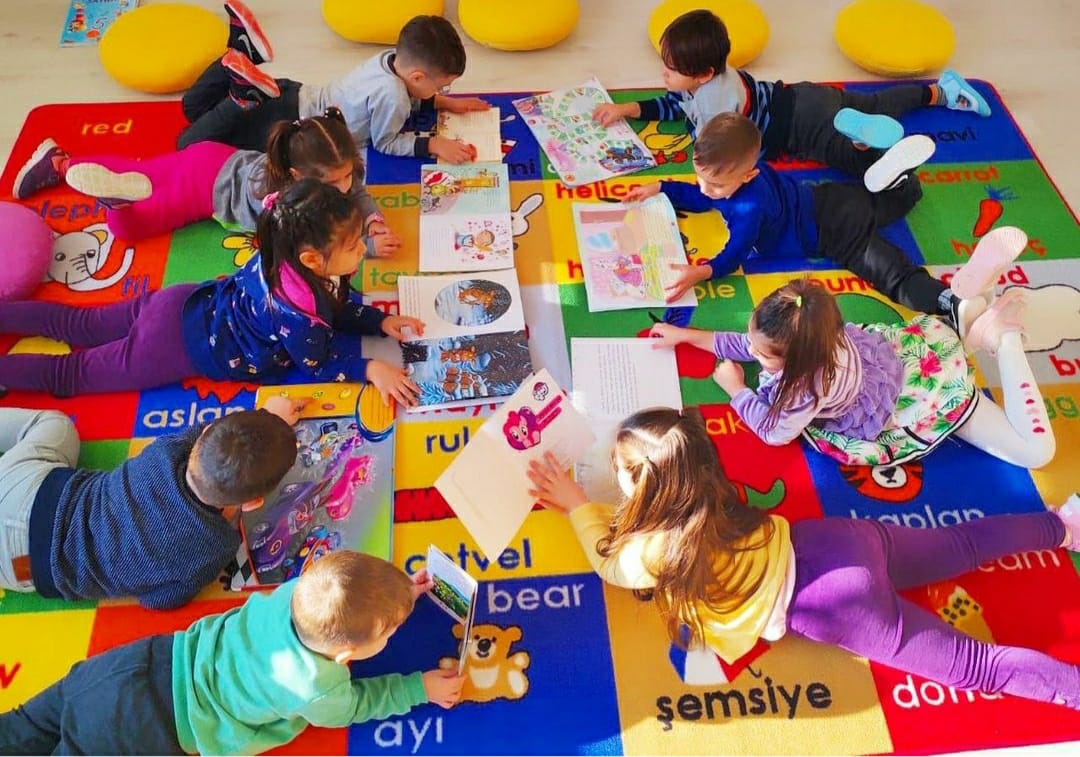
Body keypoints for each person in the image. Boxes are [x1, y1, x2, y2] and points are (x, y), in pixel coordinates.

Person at [526, 408, 1080, 709]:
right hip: (839, 541)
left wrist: (578, 506)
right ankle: (1062, 526)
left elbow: (611, 565)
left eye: (619, 472)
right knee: (960, 544)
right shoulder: (710, 487)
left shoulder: (651, 553)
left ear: (644, 485)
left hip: (837, 605)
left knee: (976, 667)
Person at [0, 550, 466, 755]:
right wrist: (418, 688)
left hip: (129, 666)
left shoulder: (296, 592)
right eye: (391, 630)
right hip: (145, 729)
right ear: (346, 654)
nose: (394, 634)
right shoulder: (318, 686)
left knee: (20, 727)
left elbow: (347, 589)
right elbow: (358, 705)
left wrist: (397, 595)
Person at [0, 180, 423, 405]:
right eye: (353, 246)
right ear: (313, 259)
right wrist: (371, 367)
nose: (362, 250)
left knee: (78, 322)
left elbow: (337, 305)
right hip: (173, 345)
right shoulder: (299, 312)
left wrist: (379, 320)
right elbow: (318, 362)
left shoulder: (284, 249)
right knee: (70, 373)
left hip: (182, 301)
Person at [650, 274, 1055, 469]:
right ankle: (972, 327)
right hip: (910, 360)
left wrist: (737, 390)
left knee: (1037, 452)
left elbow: (775, 433)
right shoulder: (814, 330)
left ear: (797, 362)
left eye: (762, 355)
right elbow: (748, 343)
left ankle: (1004, 339)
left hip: (921, 400)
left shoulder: (806, 388)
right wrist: (686, 336)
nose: (751, 353)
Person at [625, 112, 1018, 311]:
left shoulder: (748, 206)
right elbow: (704, 197)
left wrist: (702, 272)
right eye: (700, 178)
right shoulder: (746, 175)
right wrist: (662, 187)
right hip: (830, 197)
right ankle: (902, 181)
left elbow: (734, 253)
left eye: (716, 184)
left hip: (833, 234)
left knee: (891, 274)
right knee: (891, 204)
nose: (705, 189)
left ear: (746, 176)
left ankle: (950, 302)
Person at [592, 8, 991, 181]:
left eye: (671, 70)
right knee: (873, 102)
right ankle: (940, 92)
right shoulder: (715, 78)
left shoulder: (714, 111)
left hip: (799, 128)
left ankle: (862, 145)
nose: (663, 74)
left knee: (853, 165)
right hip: (802, 95)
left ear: (703, 74)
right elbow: (674, 104)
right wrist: (627, 108)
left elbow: (728, 156)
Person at [0, 396, 303, 608]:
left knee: (56, 425)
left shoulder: (165, 454)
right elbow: (160, 600)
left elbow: (209, 436)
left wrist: (268, 415)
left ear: (204, 432)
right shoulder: (215, 546)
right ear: (252, 504)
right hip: (28, 564)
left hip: (28, 488)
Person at [11, 108, 401, 257]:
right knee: (129, 228)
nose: (346, 185)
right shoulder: (289, 203)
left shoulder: (328, 167)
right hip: (204, 190)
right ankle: (116, 202)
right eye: (336, 181)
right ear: (298, 178)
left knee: (141, 172)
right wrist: (365, 247)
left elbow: (358, 193)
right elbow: (310, 246)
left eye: (348, 173)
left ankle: (60, 162)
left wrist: (373, 219)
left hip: (213, 157)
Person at [177, 9, 489, 163]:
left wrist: (446, 103)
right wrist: (433, 144)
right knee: (187, 145)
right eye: (442, 88)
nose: (441, 93)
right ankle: (241, 97)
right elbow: (386, 142)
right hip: (291, 125)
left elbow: (410, 92)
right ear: (418, 77)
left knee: (192, 108)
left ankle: (240, 51)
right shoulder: (394, 97)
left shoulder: (389, 59)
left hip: (291, 94)